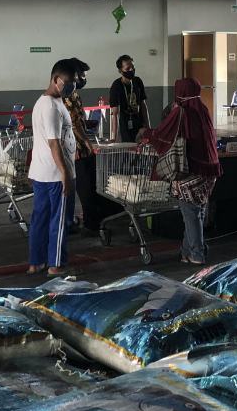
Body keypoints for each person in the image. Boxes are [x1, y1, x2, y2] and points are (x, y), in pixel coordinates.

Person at [143, 78, 223, 265]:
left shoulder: (182, 111)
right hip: (209, 171)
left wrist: (145, 133)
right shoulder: (203, 109)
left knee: (191, 215)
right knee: (198, 212)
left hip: (190, 171)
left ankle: (196, 254)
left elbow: (163, 134)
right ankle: (186, 252)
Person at [28, 59, 79, 276]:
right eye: (68, 82)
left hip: (42, 172)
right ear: (55, 79)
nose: (72, 86)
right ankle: (56, 265)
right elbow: (53, 142)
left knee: (41, 217)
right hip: (55, 174)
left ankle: (36, 262)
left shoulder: (48, 102)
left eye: (74, 82)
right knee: (59, 221)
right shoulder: (50, 107)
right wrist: (65, 173)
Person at [62, 58, 100, 237]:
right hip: (75, 151)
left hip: (81, 149)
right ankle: (90, 224)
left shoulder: (75, 93)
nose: (83, 79)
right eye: (81, 75)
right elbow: (74, 124)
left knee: (90, 185)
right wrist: (87, 141)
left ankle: (90, 220)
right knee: (85, 188)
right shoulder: (67, 95)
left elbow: (79, 120)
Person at [109, 54, 149, 143]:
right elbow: (115, 113)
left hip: (140, 123)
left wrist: (148, 127)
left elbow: (143, 105)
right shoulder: (116, 86)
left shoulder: (138, 81)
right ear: (120, 71)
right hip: (126, 126)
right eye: (127, 69)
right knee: (130, 150)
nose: (131, 70)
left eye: (133, 67)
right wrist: (114, 137)